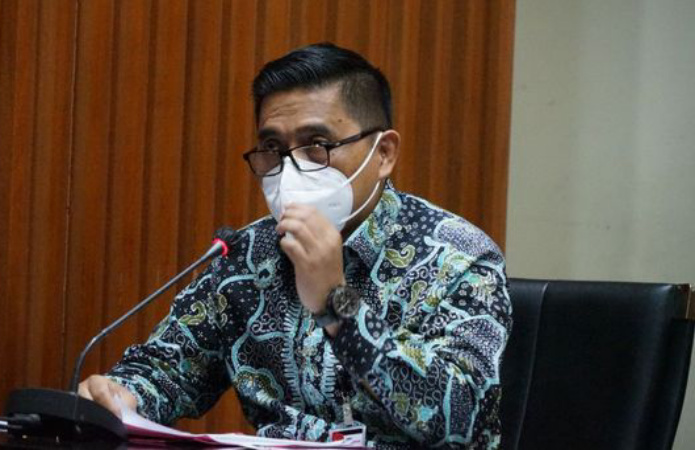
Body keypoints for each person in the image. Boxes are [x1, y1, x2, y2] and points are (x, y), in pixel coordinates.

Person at [79, 42, 512, 449]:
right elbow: (169, 368)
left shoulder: (459, 256)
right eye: (273, 147)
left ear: (383, 153)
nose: (290, 170)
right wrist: (124, 395)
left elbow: (461, 421)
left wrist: (336, 304)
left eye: (317, 145)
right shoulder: (247, 255)